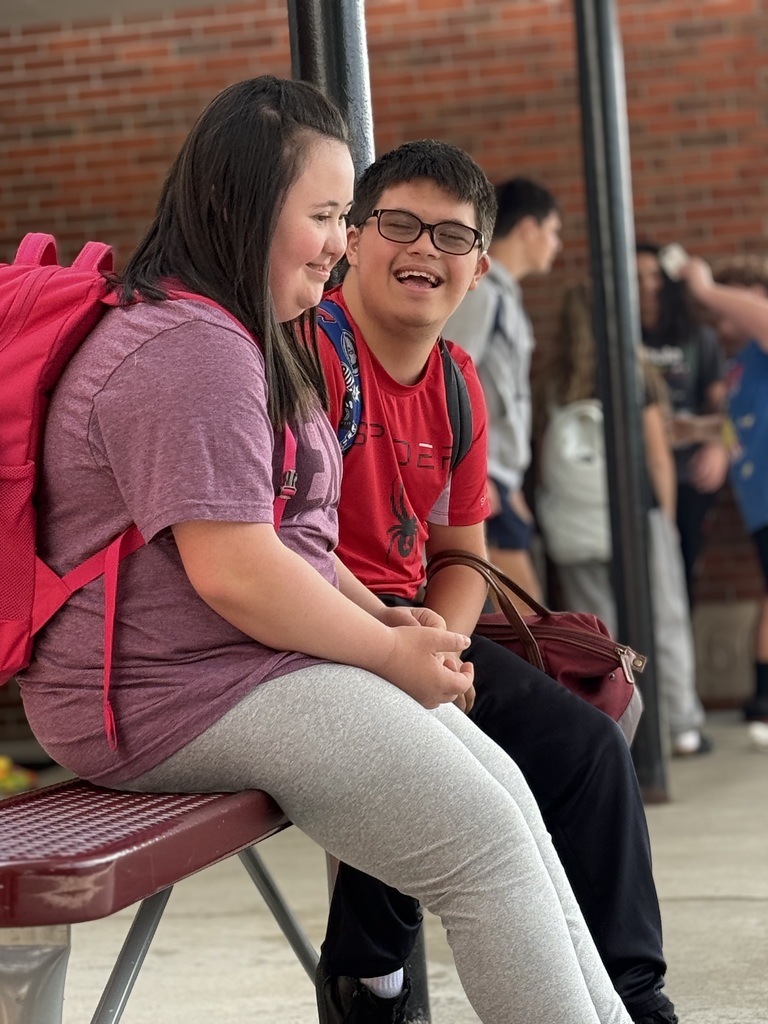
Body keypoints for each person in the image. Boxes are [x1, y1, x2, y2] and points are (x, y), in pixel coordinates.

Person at [15, 76, 635, 1024]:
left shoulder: (241, 333)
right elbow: (236, 570)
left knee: (507, 799)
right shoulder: (188, 348)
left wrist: (379, 614)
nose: (346, 242)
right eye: (330, 215)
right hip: (164, 693)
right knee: (482, 846)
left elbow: (286, 535)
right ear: (245, 208)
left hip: (226, 668)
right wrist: (387, 653)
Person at [314, 140, 678, 1024]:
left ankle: (638, 1000)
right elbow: (272, 539)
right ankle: (370, 979)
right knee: (424, 733)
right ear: (354, 239)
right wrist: (400, 649)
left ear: (480, 267)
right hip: (311, 627)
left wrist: (436, 639)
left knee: (589, 747)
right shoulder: (306, 355)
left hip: (418, 623)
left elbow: (459, 552)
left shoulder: (457, 382)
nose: (423, 252)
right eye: (399, 224)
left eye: (450, 237)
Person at [534, 281, 709, 757]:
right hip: (638, 519)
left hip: (577, 524)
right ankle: (680, 727)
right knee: (664, 620)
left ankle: (617, 727)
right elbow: (657, 456)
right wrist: (667, 519)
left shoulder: (553, 379)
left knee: (599, 633)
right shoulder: (636, 372)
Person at [673, 253, 768, 724]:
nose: (718, 320)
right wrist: (700, 435)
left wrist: (708, 288)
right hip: (758, 504)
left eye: (727, 308)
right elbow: (737, 428)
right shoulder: (740, 365)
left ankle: (763, 699)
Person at [635, 242, 727, 606]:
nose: (646, 285)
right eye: (637, 277)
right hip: (634, 478)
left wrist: (718, 446)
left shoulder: (698, 337)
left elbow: (726, 406)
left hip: (689, 476)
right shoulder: (615, 340)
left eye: (655, 275)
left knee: (680, 577)